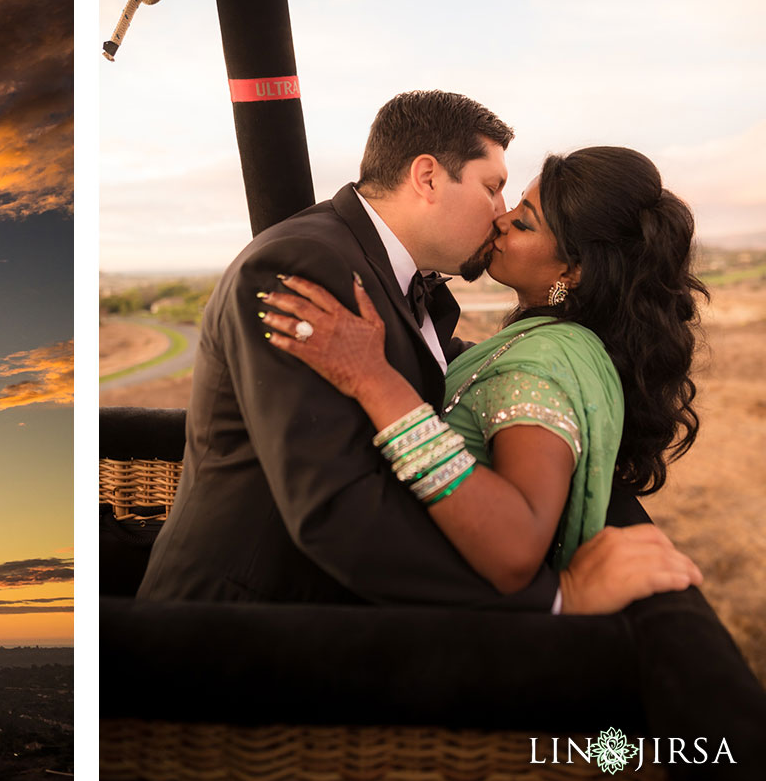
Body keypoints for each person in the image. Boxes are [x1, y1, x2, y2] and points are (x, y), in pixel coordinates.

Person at [137, 91, 699, 613]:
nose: (499, 213)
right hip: (233, 622)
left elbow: (455, 367)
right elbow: (336, 510)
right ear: (428, 176)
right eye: (491, 186)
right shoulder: (306, 269)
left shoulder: (395, 276)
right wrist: (551, 600)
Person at [259, 146, 706, 610]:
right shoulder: (545, 343)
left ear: (572, 271)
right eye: (509, 203)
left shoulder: (544, 363)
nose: (501, 220)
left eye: (524, 222)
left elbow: (515, 548)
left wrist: (374, 380)